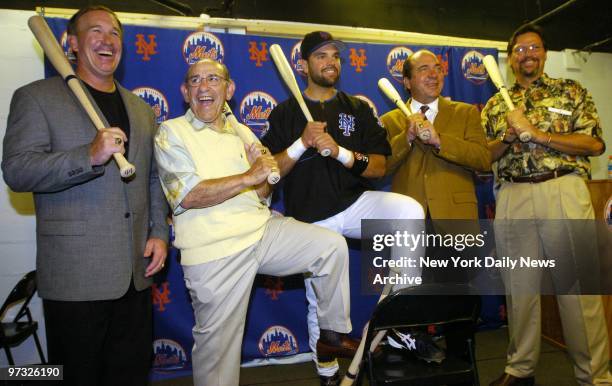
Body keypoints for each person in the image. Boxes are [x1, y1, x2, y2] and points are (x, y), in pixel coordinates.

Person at [154, 59, 354, 386]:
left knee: (330, 246)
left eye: (213, 79)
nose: (204, 87)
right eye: (195, 80)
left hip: (262, 232)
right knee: (216, 359)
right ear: (185, 91)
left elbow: (261, 192)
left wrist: (263, 176)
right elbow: (187, 195)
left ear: (229, 90)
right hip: (214, 252)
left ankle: (331, 333)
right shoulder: (171, 132)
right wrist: (249, 174)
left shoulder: (242, 130)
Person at [2, 6, 168, 386]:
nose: (108, 40)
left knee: (130, 373)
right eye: (96, 31)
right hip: (76, 277)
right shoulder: (36, 98)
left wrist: (159, 231)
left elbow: (153, 177)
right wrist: (87, 156)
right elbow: (17, 170)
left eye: (114, 33)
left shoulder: (141, 110)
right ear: (71, 43)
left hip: (135, 274)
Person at [262, 31, 426, 385]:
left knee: (409, 212)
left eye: (334, 55)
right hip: (310, 219)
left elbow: (380, 166)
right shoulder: (286, 113)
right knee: (320, 303)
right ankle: (327, 374)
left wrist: (340, 152)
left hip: (353, 204)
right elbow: (268, 173)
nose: (330, 62)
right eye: (320, 56)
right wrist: (301, 143)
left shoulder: (356, 109)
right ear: (303, 65)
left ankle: (391, 313)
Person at [481, 24, 611, 386]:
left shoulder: (570, 90)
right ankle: (520, 368)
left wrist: (541, 135)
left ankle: (595, 376)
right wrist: (506, 137)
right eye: (519, 50)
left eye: (534, 48)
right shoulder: (494, 105)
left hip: (562, 190)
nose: (527, 54)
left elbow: (594, 143)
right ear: (510, 59)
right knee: (519, 290)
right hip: (513, 195)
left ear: (545, 54)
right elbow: (483, 157)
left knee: (578, 292)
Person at [381, 49, 491, 220]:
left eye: (438, 69)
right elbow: (381, 167)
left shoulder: (466, 112)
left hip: (455, 217)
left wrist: (440, 141)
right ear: (407, 82)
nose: (434, 75)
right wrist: (406, 138)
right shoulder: (390, 120)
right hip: (406, 216)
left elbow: (483, 160)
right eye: (423, 69)